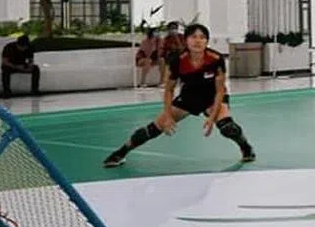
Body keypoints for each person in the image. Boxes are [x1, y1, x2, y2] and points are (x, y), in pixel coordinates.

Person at [102, 23, 255, 167]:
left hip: (212, 98)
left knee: (229, 128)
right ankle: (121, 153)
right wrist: (168, 116)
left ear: (207, 41)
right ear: (186, 40)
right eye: (193, 37)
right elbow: (169, 90)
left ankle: (245, 147)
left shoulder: (216, 59)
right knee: (152, 129)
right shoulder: (178, 61)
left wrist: (212, 117)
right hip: (189, 97)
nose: (198, 41)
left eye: (202, 37)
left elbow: (220, 90)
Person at [0, 34, 40, 98]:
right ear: (17, 45)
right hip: (11, 65)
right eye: (21, 47)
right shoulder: (9, 47)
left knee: (36, 68)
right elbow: (5, 62)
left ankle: (35, 90)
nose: (23, 49)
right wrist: (16, 67)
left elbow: (30, 59)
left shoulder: (29, 47)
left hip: (22, 64)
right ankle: (6, 91)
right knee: (5, 70)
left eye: (25, 47)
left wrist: (30, 66)